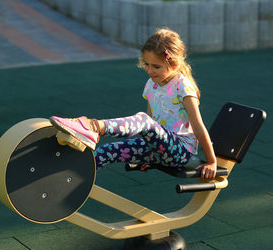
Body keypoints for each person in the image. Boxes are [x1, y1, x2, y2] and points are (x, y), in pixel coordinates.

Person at [50, 28, 216, 179]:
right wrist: (148, 153)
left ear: (174, 63)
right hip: (159, 149)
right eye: (146, 64)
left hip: (181, 152)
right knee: (106, 151)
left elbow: (198, 126)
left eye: (156, 66)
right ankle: (68, 182)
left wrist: (211, 161)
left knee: (143, 120)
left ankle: (93, 127)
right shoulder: (151, 85)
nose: (150, 71)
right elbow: (151, 125)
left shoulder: (183, 87)